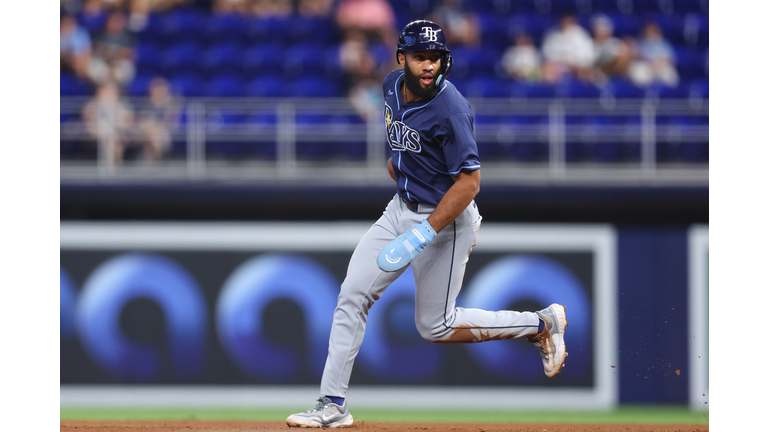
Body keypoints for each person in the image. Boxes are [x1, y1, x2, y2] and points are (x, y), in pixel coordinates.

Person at [285, 20, 569, 429]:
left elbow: (470, 183)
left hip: (445, 221)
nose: (428, 65)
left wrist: (425, 230)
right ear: (402, 58)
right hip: (400, 207)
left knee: (436, 327)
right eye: (420, 56)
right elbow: (399, 149)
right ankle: (332, 405)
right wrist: (404, 177)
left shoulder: (451, 109)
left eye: (434, 57)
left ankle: (541, 324)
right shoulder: (388, 87)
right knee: (352, 295)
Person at [541, 14, 595, 83]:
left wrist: (574, 63)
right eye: (564, 21)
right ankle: (549, 91)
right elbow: (547, 53)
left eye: (568, 22)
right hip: (558, 65)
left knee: (585, 72)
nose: (566, 24)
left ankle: (583, 92)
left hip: (576, 65)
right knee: (547, 69)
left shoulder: (582, 35)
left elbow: (588, 56)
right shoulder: (552, 35)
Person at [628, 22, 679, 87]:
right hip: (647, 68)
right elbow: (636, 56)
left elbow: (673, 60)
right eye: (649, 31)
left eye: (653, 31)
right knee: (637, 71)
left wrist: (661, 63)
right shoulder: (641, 43)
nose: (651, 33)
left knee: (670, 75)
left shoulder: (664, 44)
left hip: (662, 68)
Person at [590, 14, 631, 82]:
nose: (602, 34)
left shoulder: (615, 42)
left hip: (616, 73)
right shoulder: (590, 44)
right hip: (597, 73)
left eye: (604, 31)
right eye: (599, 31)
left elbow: (624, 58)